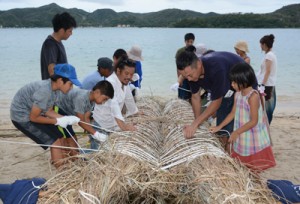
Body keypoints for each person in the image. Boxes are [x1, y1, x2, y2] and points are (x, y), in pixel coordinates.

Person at [10, 63, 81, 168]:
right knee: (55, 142)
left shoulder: (55, 89)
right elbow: (33, 118)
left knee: (60, 136)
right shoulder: (45, 91)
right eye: (70, 84)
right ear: (61, 81)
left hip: (35, 114)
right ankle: (61, 171)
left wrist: (64, 118)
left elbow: (48, 111)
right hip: (22, 118)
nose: (71, 88)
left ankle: (60, 162)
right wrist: (57, 121)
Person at [210, 63, 275, 172]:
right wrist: (219, 127)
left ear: (244, 80)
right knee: (244, 167)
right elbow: (232, 113)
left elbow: (254, 121)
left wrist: (236, 132)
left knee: (254, 169)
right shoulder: (238, 94)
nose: (232, 84)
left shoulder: (253, 96)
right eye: (232, 81)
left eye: (234, 82)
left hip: (252, 136)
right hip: (242, 135)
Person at [176, 51, 244, 145]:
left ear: (199, 64)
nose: (189, 79)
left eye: (190, 75)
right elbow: (195, 97)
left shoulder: (216, 69)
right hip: (225, 89)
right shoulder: (192, 75)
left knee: (231, 125)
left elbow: (216, 102)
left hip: (243, 84)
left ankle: (227, 150)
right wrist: (197, 123)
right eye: (185, 77)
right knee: (222, 118)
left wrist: (195, 124)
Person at [91, 56, 138, 149]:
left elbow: (128, 98)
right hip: (101, 124)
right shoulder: (111, 83)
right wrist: (124, 127)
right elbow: (114, 105)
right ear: (118, 71)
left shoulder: (124, 82)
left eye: (131, 74)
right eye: (126, 73)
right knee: (96, 153)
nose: (129, 77)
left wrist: (135, 112)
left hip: (112, 124)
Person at [55, 80, 114, 154]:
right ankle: (61, 158)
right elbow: (80, 121)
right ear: (97, 92)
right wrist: (96, 134)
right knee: (68, 142)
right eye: (105, 99)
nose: (104, 102)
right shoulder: (81, 98)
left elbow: (86, 118)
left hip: (67, 115)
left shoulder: (92, 100)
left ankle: (68, 156)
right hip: (58, 111)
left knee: (73, 144)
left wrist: (92, 133)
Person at [40, 12, 77, 80]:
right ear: (62, 30)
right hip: (55, 88)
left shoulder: (58, 42)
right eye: (70, 31)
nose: (71, 33)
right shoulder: (50, 44)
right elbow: (52, 70)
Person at [256, 34, 277, 124]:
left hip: (266, 84)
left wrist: (262, 85)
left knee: (266, 107)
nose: (260, 46)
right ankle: (265, 124)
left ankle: (266, 125)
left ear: (264, 44)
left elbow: (267, 71)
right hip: (267, 83)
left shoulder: (269, 56)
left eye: (261, 44)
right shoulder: (270, 55)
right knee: (264, 106)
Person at [175, 33, 195, 101]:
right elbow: (178, 65)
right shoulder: (180, 51)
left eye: (191, 42)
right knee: (182, 95)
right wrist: (179, 78)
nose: (189, 43)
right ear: (185, 41)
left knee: (192, 94)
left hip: (192, 76)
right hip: (183, 75)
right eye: (188, 41)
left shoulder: (194, 51)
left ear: (193, 42)